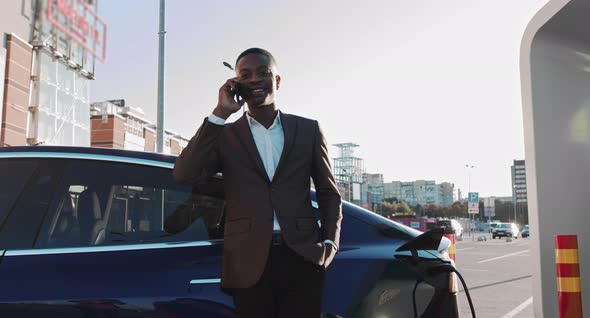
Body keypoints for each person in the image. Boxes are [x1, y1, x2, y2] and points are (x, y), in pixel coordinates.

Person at [173, 48, 342, 318]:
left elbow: (328, 193)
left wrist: (331, 244)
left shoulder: (308, 129)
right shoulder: (224, 135)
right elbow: (184, 174)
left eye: (263, 73)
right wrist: (220, 112)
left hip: (303, 257)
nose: (254, 80)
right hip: (247, 261)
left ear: (277, 81)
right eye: (245, 75)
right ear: (236, 83)